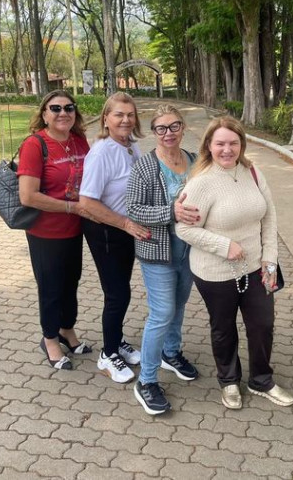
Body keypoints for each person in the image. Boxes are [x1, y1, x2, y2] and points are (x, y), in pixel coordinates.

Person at [176, 116, 293, 409]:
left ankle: (261, 381)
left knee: (263, 324)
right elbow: (184, 229)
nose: (227, 149)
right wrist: (224, 245)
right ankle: (229, 381)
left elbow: (269, 216)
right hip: (214, 272)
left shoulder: (252, 172)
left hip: (257, 267)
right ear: (208, 145)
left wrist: (270, 260)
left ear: (241, 144)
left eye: (233, 143)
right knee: (223, 327)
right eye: (220, 143)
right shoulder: (201, 183)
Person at [126, 105, 200, 415]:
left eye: (174, 126)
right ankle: (146, 381)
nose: (168, 133)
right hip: (158, 251)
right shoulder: (145, 166)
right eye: (161, 128)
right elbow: (134, 210)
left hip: (190, 250)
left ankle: (172, 353)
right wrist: (171, 212)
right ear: (153, 132)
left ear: (183, 128)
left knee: (179, 305)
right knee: (162, 313)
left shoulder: (196, 161)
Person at [79, 92, 150, 384]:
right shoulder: (102, 152)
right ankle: (107, 355)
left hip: (125, 231)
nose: (125, 120)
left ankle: (117, 339)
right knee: (117, 293)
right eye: (118, 114)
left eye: (130, 115)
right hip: (107, 231)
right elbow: (86, 202)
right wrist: (123, 222)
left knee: (123, 291)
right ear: (105, 118)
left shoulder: (131, 146)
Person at [18, 89, 92, 370]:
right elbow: (28, 196)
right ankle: (49, 338)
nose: (64, 113)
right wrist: (70, 208)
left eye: (69, 108)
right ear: (45, 114)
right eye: (56, 108)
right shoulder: (35, 145)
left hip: (76, 229)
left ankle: (66, 330)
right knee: (50, 287)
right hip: (46, 232)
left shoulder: (79, 142)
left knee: (71, 282)